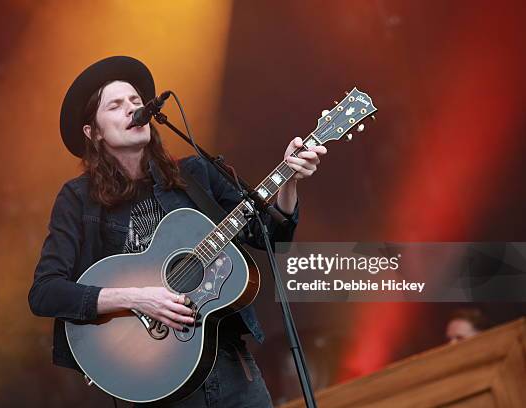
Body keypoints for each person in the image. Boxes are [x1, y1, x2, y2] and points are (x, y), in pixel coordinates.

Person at [28, 56, 327, 407]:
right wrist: (137, 298)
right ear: (92, 133)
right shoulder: (78, 199)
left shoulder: (196, 174)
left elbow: (271, 237)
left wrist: (289, 182)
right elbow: (45, 292)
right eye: (116, 105)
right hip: (152, 382)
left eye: (137, 102)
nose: (132, 109)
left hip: (231, 371)